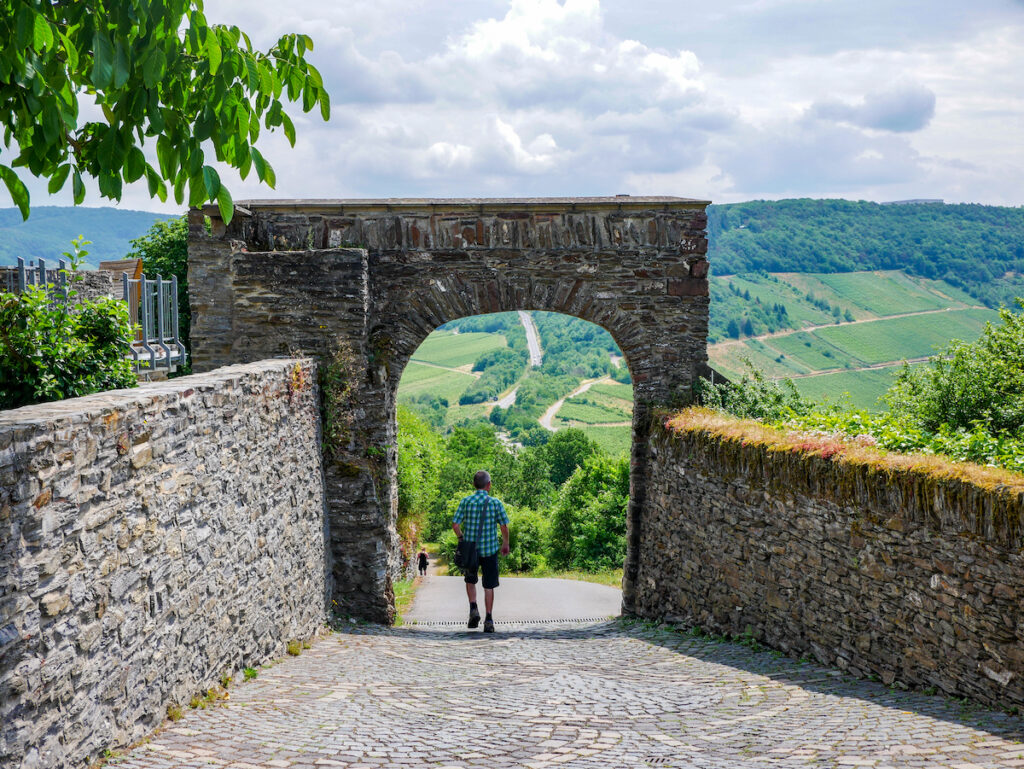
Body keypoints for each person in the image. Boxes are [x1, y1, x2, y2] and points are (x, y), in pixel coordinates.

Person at [452, 470, 510, 633]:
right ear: (489, 485)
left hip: (471, 550)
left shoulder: (466, 501)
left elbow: (455, 524)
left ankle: (473, 608)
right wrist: (505, 543)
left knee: (470, 580)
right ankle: (489, 619)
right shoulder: (495, 503)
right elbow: (504, 526)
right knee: (489, 585)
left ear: (474, 485)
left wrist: (461, 538)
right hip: (490, 550)